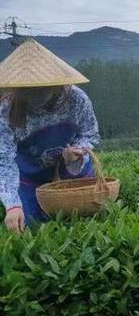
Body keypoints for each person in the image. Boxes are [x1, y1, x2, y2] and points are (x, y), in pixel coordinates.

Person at [0, 39, 100, 234]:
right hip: (29, 175)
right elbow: (3, 160)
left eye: (42, 88)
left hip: (69, 168)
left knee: (82, 217)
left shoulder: (76, 99)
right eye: (28, 89)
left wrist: (77, 150)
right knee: (31, 225)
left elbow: (90, 133)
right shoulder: (6, 110)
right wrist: (12, 204)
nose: (36, 94)